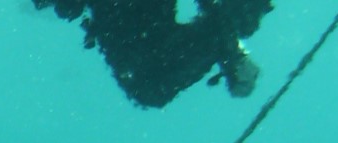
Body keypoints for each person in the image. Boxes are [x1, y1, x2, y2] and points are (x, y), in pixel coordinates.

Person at [33, 0, 274, 107]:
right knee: (148, 86)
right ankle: (229, 29)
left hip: (124, 20)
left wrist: (228, 46)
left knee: (148, 86)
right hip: (126, 21)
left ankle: (228, 30)